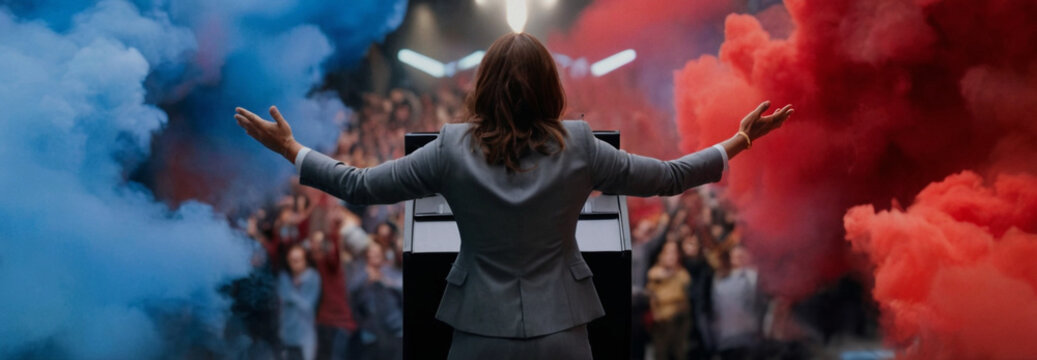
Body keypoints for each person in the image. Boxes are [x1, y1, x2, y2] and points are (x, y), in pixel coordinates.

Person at [234, 32, 792, 359]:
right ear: (550, 85)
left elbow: (359, 185)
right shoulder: (580, 145)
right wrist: (739, 140)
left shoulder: (450, 148)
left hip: (478, 329)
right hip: (563, 329)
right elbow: (669, 176)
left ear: (483, 85)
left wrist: (293, 150)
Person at [646, 241, 693, 360]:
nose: (671, 256)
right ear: (661, 255)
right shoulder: (654, 273)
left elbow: (686, 288)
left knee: (679, 353)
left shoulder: (682, 273)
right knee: (661, 353)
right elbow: (651, 296)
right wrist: (656, 313)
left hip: (679, 321)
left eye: (674, 253)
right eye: (668, 252)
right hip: (662, 322)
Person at [278, 244, 322, 360]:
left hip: (305, 338)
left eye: (297, 260)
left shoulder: (312, 277)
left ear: (305, 260)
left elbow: (308, 306)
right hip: (287, 336)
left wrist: (292, 294)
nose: (294, 264)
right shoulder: (284, 277)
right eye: (291, 260)